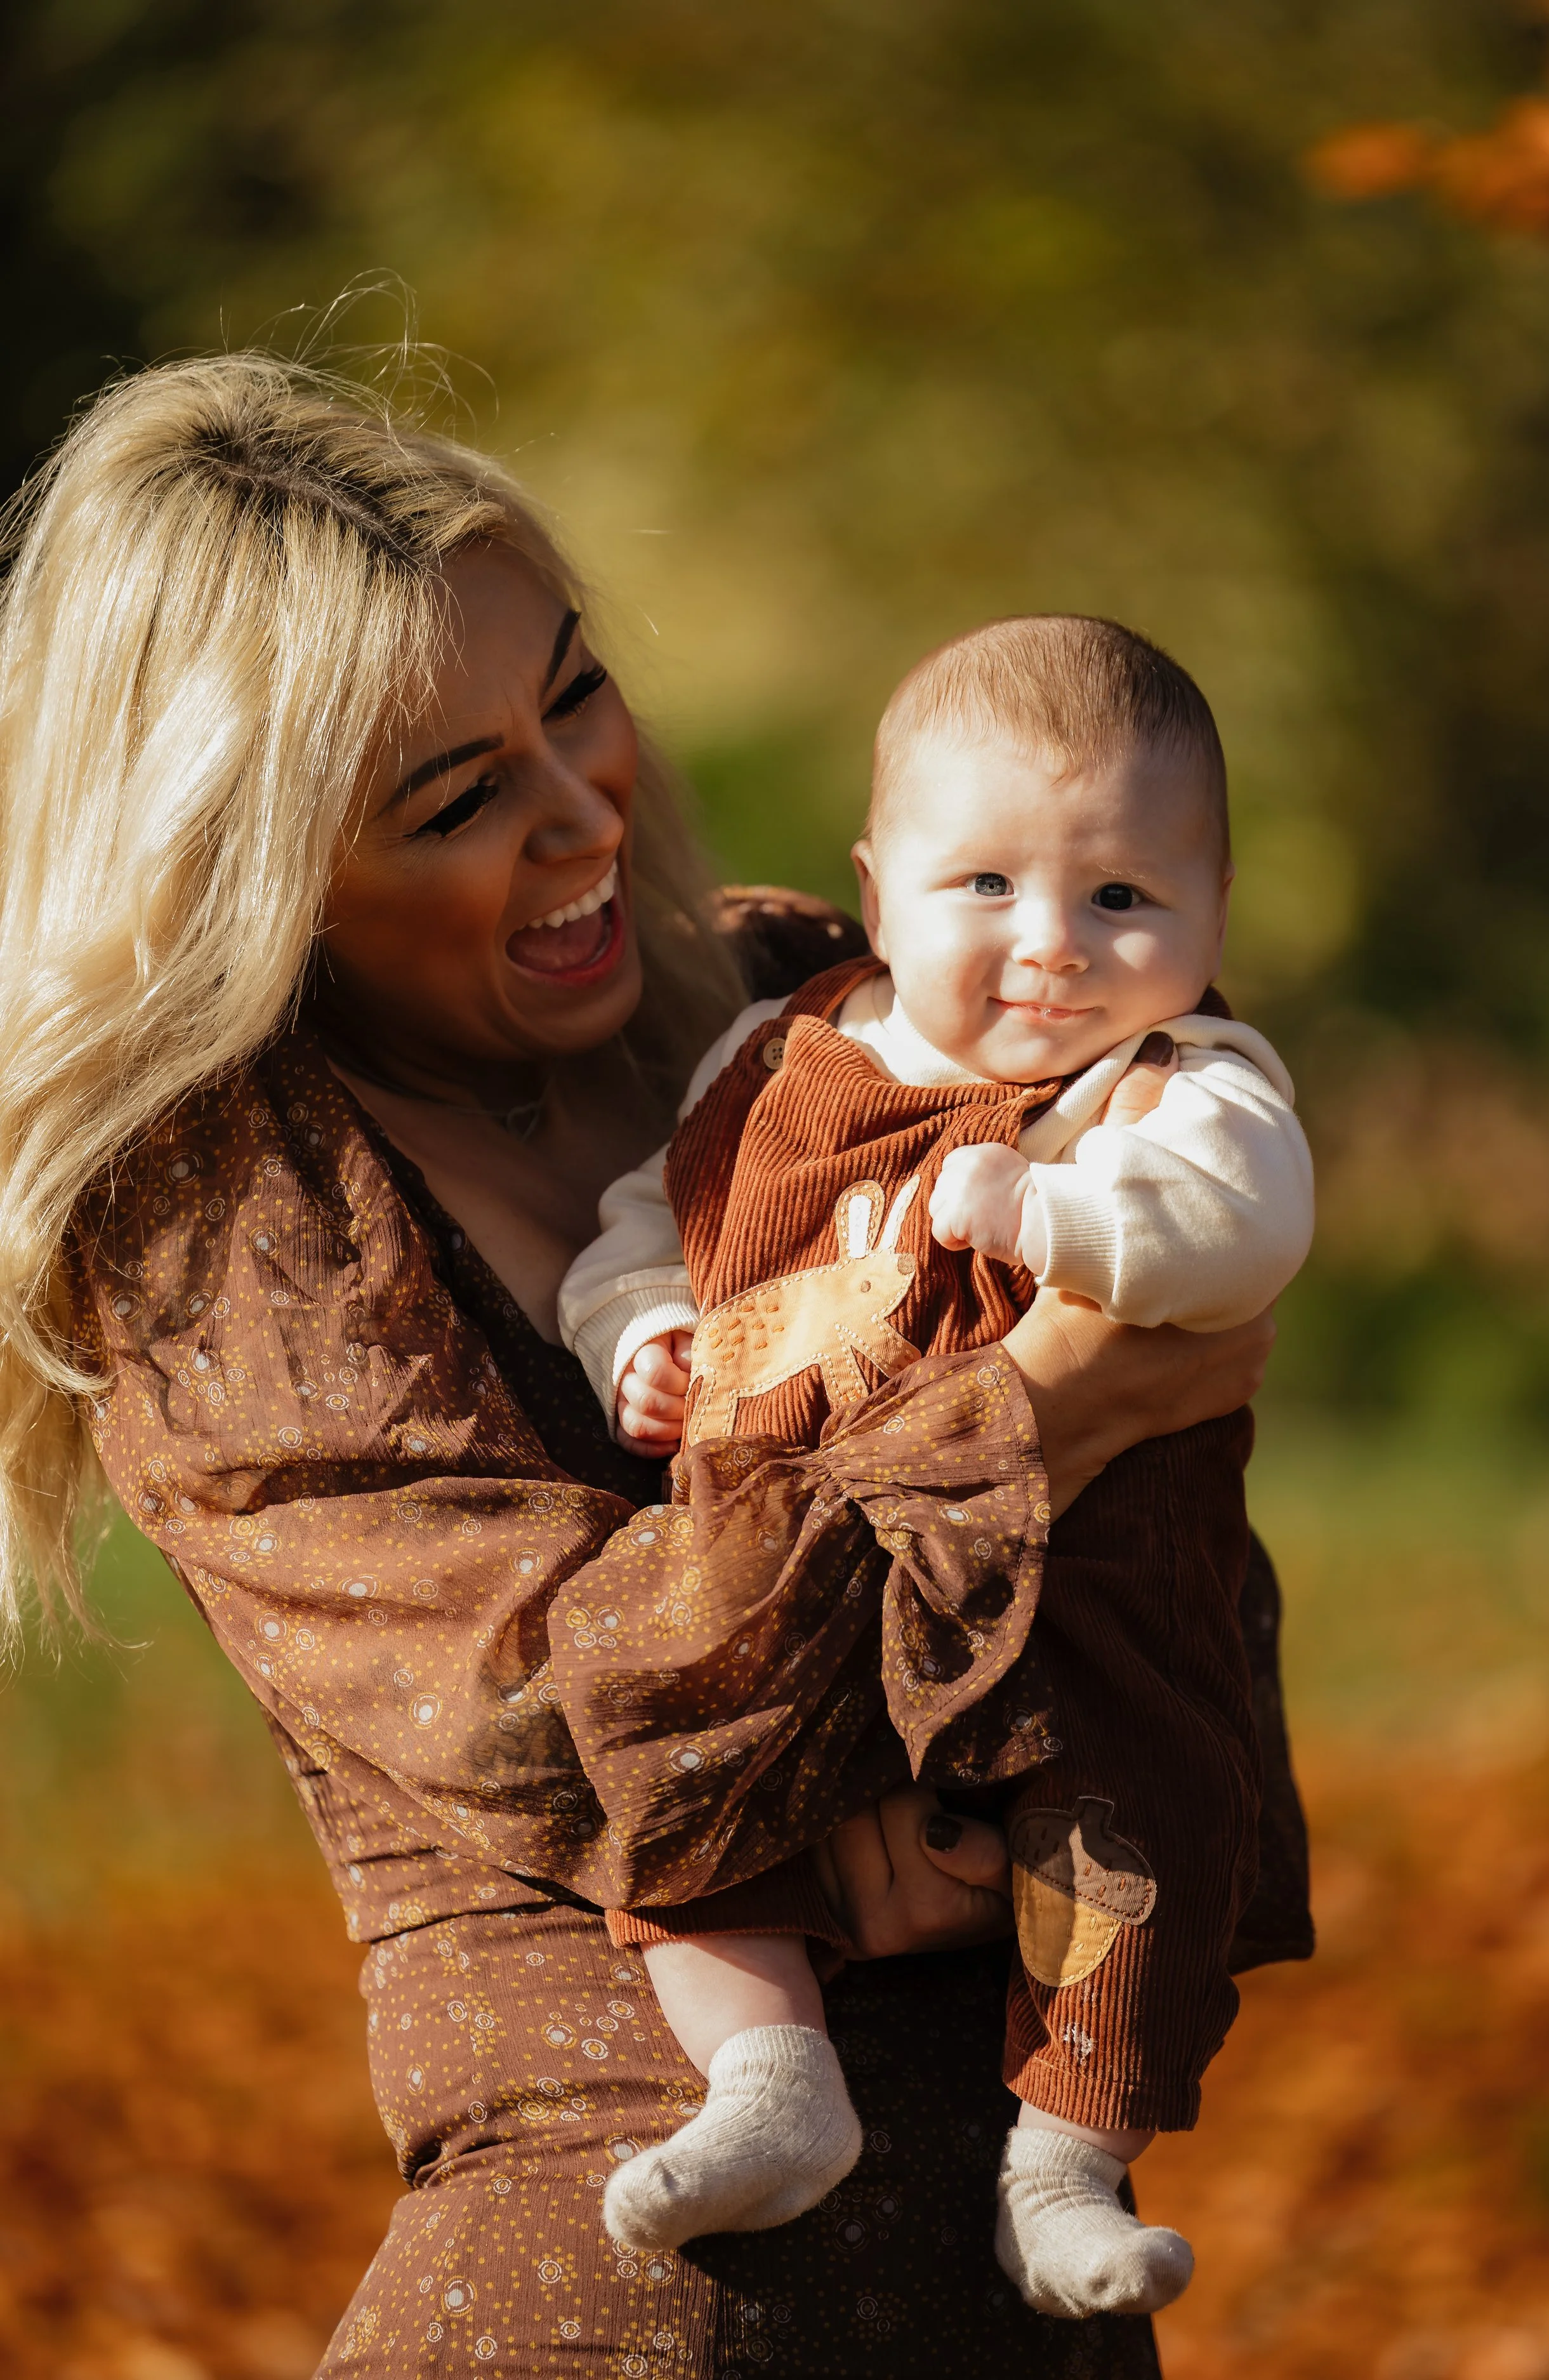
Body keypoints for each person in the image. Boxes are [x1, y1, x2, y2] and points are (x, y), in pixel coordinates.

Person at [0, 351, 1293, 2378]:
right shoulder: (221, 1214)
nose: (580, 804)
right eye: (457, 795)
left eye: (572, 695)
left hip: (1027, 2266)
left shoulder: (813, 1002)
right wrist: (1056, 1404)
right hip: (617, 2283)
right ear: (261, 875)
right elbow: (555, 1702)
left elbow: (1192, 1577)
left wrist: (967, 1699)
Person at [556, 619, 1313, 2316]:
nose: (1052, 945)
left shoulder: (1175, 1083)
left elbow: (1243, 1231)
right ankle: (769, 2084)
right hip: (783, 1564)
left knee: (1124, 1833)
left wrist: (1053, 1213)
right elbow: (649, 1225)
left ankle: (1062, 2168)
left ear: (1208, 910)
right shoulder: (778, 1059)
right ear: (876, 890)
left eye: (1123, 898)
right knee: (676, 1747)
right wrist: (639, 1336)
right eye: (983, 884)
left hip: (1079, 1576)